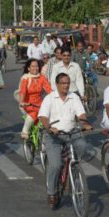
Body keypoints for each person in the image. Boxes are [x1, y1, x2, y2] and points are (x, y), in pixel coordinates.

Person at [39, 72, 90, 207]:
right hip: (53, 136)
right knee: (55, 165)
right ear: (57, 85)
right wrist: (49, 127)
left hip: (72, 133)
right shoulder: (50, 98)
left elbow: (81, 113)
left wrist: (84, 123)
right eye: (63, 83)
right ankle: (51, 192)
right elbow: (43, 117)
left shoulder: (74, 97)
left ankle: (73, 167)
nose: (66, 85)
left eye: (68, 83)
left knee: (82, 145)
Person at [19, 58, 52, 139]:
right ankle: (25, 131)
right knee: (34, 114)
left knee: (48, 115)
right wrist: (21, 102)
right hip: (27, 103)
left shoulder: (42, 77)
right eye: (32, 66)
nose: (35, 68)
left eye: (37, 66)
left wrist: (55, 98)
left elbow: (49, 89)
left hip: (39, 103)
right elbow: (22, 92)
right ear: (28, 68)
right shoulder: (26, 78)